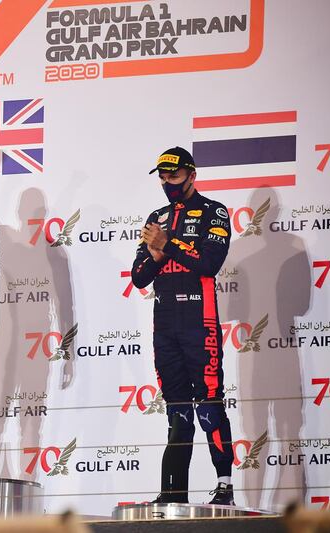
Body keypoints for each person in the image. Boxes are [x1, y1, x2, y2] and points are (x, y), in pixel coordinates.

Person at [131, 147, 235, 505]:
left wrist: (166, 245)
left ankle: (224, 485)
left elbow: (209, 263)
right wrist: (158, 254)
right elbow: (139, 277)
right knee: (176, 406)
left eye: (172, 176)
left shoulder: (213, 211)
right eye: (161, 176)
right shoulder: (156, 216)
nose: (166, 183)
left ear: (192, 175)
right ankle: (173, 491)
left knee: (209, 403)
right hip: (165, 323)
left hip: (199, 319)